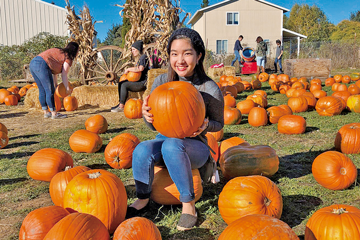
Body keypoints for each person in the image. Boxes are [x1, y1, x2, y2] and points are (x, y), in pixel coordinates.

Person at [128, 28, 224, 231]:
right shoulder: (162, 82)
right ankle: (143, 198)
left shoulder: (209, 88)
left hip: (196, 146)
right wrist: (147, 116)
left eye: (187, 53)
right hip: (165, 140)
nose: (180, 60)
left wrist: (206, 125)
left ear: (198, 56)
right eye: (174, 54)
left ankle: (188, 205)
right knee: (142, 149)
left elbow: (219, 123)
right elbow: (155, 124)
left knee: (172, 146)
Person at [29, 42, 79, 119]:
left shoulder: (60, 52)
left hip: (33, 63)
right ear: (74, 51)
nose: (78, 52)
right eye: (78, 50)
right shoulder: (68, 58)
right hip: (42, 64)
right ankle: (54, 114)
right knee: (50, 91)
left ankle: (46, 113)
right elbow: (64, 74)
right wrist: (67, 88)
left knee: (42, 90)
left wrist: (55, 84)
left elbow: (54, 72)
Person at [111, 40, 149, 112]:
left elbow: (141, 68)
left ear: (138, 49)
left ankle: (121, 106)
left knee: (125, 85)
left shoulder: (143, 57)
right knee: (121, 82)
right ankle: (120, 103)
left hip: (143, 83)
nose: (132, 51)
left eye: (134, 49)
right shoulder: (139, 58)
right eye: (132, 50)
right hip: (139, 81)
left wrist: (128, 69)